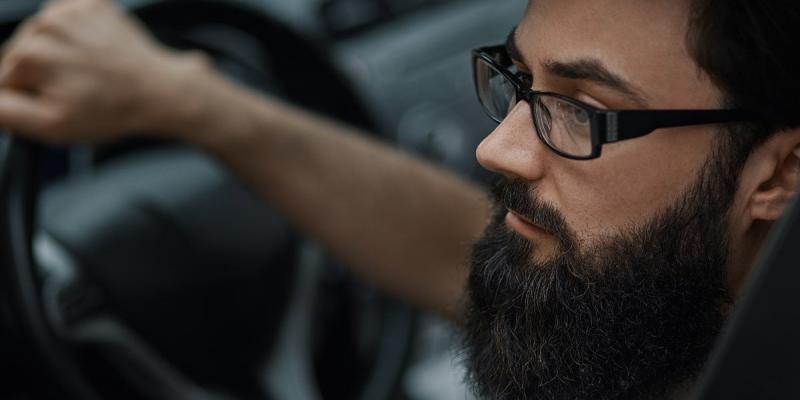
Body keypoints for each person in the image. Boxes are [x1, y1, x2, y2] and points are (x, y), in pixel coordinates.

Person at [0, 0, 798, 398]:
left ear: (778, 175)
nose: (498, 147)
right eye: (522, 81)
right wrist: (191, 103)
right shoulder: (656, 303)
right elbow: (453, 247)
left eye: (582, 109)